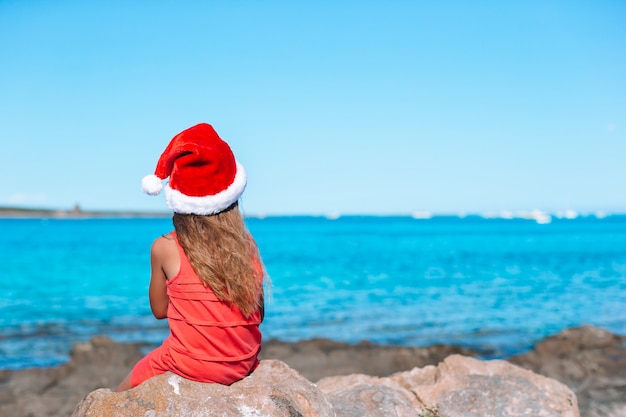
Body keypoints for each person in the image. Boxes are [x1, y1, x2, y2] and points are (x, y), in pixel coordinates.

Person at [115, 123, 266, 391]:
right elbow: (259, 313)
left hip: (189, 364)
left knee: (118, 395)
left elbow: (160, 311)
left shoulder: (165, 247)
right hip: (243, 363)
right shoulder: (246, 245)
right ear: (231, 196)